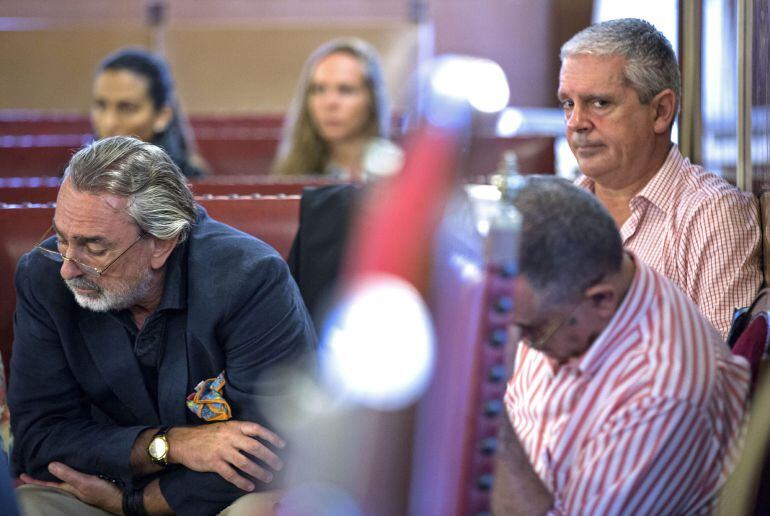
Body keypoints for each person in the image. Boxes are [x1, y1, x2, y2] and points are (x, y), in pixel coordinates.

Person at [9, 136, 315, 515]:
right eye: (61, 239)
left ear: (162, 244)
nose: (68, 267)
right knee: (30, 506)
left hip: (218, 499)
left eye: (94, 248)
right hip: (101, 485)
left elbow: (273, 450)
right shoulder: (44, 277)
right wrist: (170, 444)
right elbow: (38, 440)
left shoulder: (250, 279)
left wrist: (139, 504)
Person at [491, 176, 750, 514]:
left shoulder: (661, 394)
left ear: (600, 300)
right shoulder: (576, 302)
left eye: (531, 332)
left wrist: (490, 418)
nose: (522, 342)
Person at [558, 18, 761, 338]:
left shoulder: (709, 213)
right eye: (568, 104)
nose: (576, 123)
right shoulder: (557, 213)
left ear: (661, 111)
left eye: (600, 103)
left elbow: (718, 376)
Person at [272, 38, 395, 180]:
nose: (330, 103)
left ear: (371, 98)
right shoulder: (288, 175)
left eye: (345, 90)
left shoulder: (399, 172)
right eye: (318, 89)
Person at [92, 47, 208, 178]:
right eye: (101, 106)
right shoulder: (74, 178)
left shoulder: (189, 184)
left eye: (127, 108)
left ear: (162, 116)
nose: (109, 123)